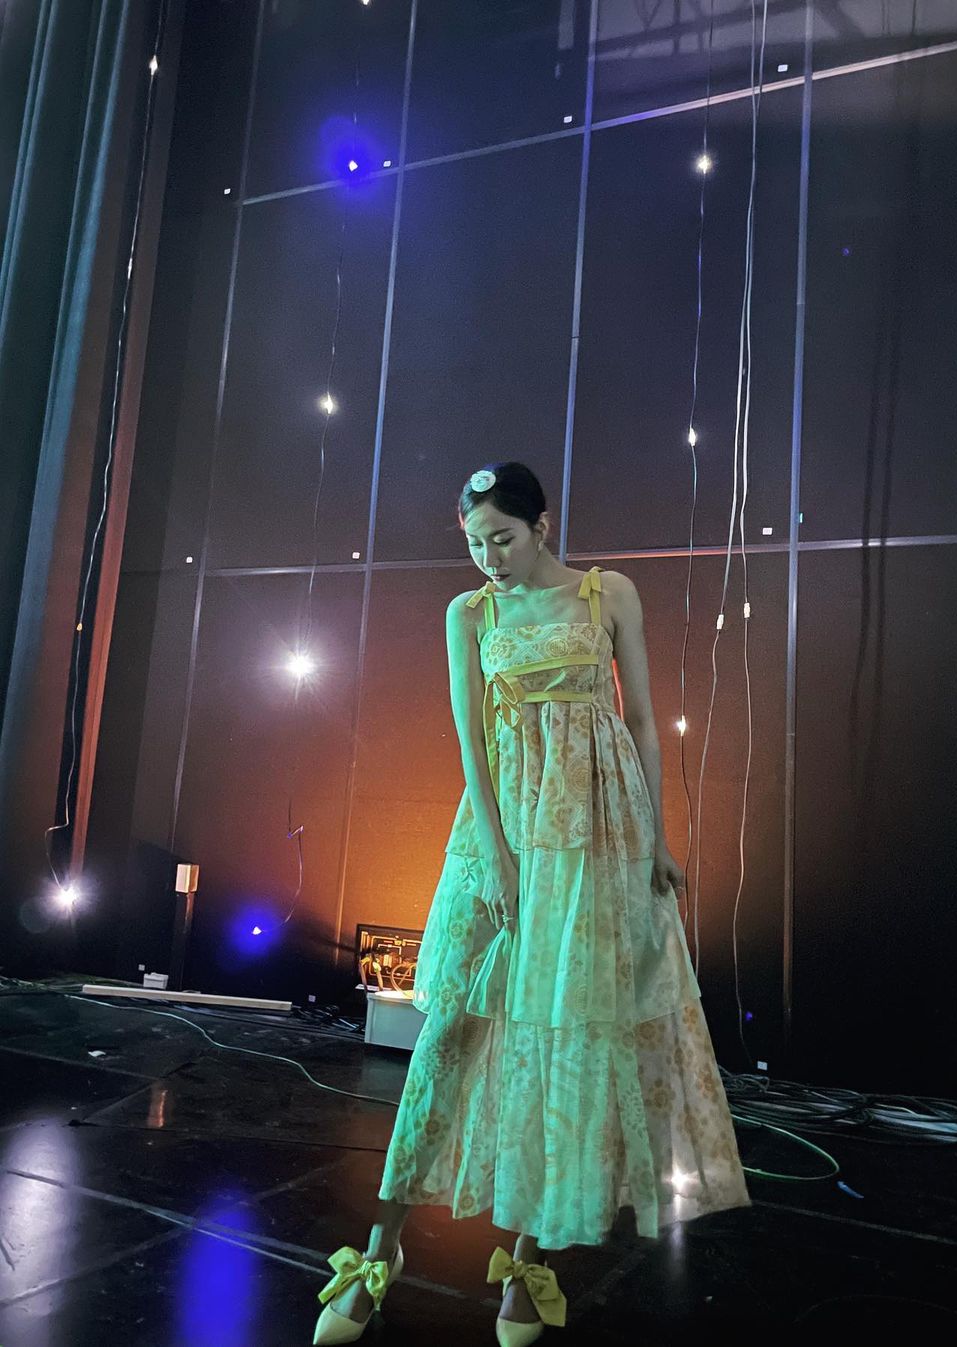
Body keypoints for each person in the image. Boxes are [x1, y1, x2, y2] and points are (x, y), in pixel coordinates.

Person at [313, 462, 751, 1346]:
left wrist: (656, 840)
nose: (489, 557)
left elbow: (638, 720)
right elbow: (471, 741)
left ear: (542, 525)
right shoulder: (469, 614)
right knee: (450, 1035)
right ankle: (381, 1247)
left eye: (502, 538)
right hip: (505, 831)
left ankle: (524, 1260)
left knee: (564, 1037)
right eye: (476, 542)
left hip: (596, 835)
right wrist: (499, 857)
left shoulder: (608, 593)